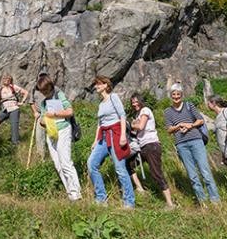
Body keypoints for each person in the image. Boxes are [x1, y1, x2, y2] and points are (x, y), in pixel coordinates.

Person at [164, 83, 220, 206]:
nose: (176, 97)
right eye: (174, 95)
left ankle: (215, 200)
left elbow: (200, 120)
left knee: (205, 171)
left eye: (178, 94)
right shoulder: (168, 112)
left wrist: (190, 125)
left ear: (182, 95)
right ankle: (202, 201)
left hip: (195, 140)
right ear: (171, 96)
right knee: (192, 175)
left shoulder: (189, 105)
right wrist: (178, 126)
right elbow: (168, 129)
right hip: (181, 144)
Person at [87, 76, 135, 209]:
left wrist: (123, 136)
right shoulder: (101, 104)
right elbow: (99, 124)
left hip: (115, 133)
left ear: (105, 85)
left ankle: (129, 202)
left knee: (120, 169)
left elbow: (122, 115)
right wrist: (95, 141)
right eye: (96, 84)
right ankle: (101, 198)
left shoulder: (113, 97)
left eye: (98, 84)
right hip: (103, 136)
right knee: (92, 164)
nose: (96, 86)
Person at [37, 75, 81, 201]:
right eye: (42, 91)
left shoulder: (59, 95)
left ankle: (76, 193)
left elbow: (69, 112)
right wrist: (42, 121)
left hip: (63, 129)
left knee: (66, 162)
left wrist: (54, 114)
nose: (44, 93)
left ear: (50, 86)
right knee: (58, 164)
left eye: (46, 90)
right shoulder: (43, 103)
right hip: (51, 133)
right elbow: (42, 119)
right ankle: (70, 193)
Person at [126, 93, 175, 208]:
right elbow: (135, 131)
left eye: (136, 101)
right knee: (129, 164)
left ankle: (170, 203)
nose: (134, 104)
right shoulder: (138, 114)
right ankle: (140, 188)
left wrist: (130, 124)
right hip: (142, 147)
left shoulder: (145, 110)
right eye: (132, 102)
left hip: (151, 145)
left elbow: (141, 126)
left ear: (141, 101)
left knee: (156, 174)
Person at [0, 74, 28, 145]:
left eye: (8, 78)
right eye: (4, 78)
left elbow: (25, 92)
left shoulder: (13, 87)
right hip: (5, 109)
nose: (6, 80)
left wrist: (22, 102)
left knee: (14, 125)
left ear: (10, 80)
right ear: (2, 80)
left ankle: (15, 143)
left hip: (14, 108)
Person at [30, 71, 49, 159]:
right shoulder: (34, 89)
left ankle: (52, 155)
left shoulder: (52, 88)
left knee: (51, 136)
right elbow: (31, 102)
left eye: (44, 76)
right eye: (41, 76)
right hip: (39, 115)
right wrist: (35, 112)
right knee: (39, 136)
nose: (42, 78)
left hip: (50, 115)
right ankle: (41, 157)